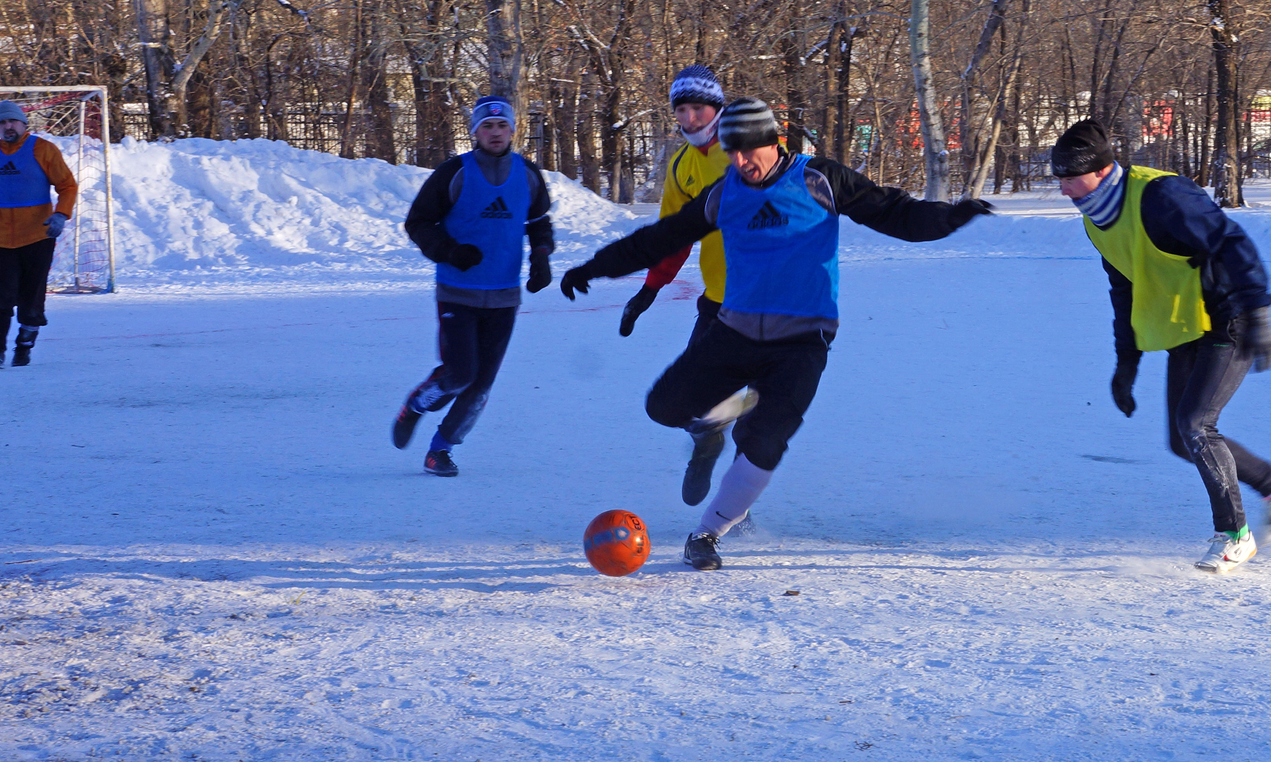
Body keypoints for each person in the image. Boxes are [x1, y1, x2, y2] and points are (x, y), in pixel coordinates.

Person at [560, 97, 993, 570]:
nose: (742, 163)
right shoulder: (725, 193)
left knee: (765, 443)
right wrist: (596, 267)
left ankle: (706, 534)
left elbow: (893, 211)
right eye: (733, 153)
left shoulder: (819, 178)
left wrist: (948, 217)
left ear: (774, 142)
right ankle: (736, 405)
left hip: (803, 341)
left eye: (750, 152)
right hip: (735, 330)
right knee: (663, 406)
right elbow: (662, 237)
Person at [1051, 118, 1271, 573]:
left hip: (1231, 317)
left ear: (1101, 170)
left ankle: (1234, 535)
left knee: (1196, 424)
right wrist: (1125, 363)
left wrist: (1259, 312)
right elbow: (1125, 290)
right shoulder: (1097, 222)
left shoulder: (1161, 196)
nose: (1065, 189)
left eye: (1071, 178)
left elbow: (1232, 241)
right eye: (1060, 180)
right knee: (1182, 438)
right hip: (1187, 324)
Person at [394, 95, 555, 476]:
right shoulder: (455, 172)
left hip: (503, 297)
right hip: (457, 293)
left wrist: (542, 257)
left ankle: (442, 449)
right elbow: (417, 223)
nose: (495, 133)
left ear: (513, 130)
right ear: (475, 133)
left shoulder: (528, 175)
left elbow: (539, 222)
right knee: (460, 373)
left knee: (481, 387)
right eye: (487, 126)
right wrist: (449, 252)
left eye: (502, 126)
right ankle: (417, 404)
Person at [617, 64, 741, 506]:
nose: (690, 119)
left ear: (717, 108)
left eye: (699, 109)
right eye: (682, 110)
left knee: (755, 420)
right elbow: (674, 235)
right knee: (692, 398)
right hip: (718, 301)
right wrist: (649, 290)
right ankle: (708, 442)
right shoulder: (684, 165)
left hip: (771, 301)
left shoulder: (752, 147)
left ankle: (734, 505)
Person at [0, 100, 78, 368]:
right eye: (1, 122)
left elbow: (67, 185)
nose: (7, 126)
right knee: (0, 295)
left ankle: (25, 344)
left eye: (12, 121)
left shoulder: (42, 149)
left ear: (24, 124)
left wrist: (61, 214)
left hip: (37, 234)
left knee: (31, 295)